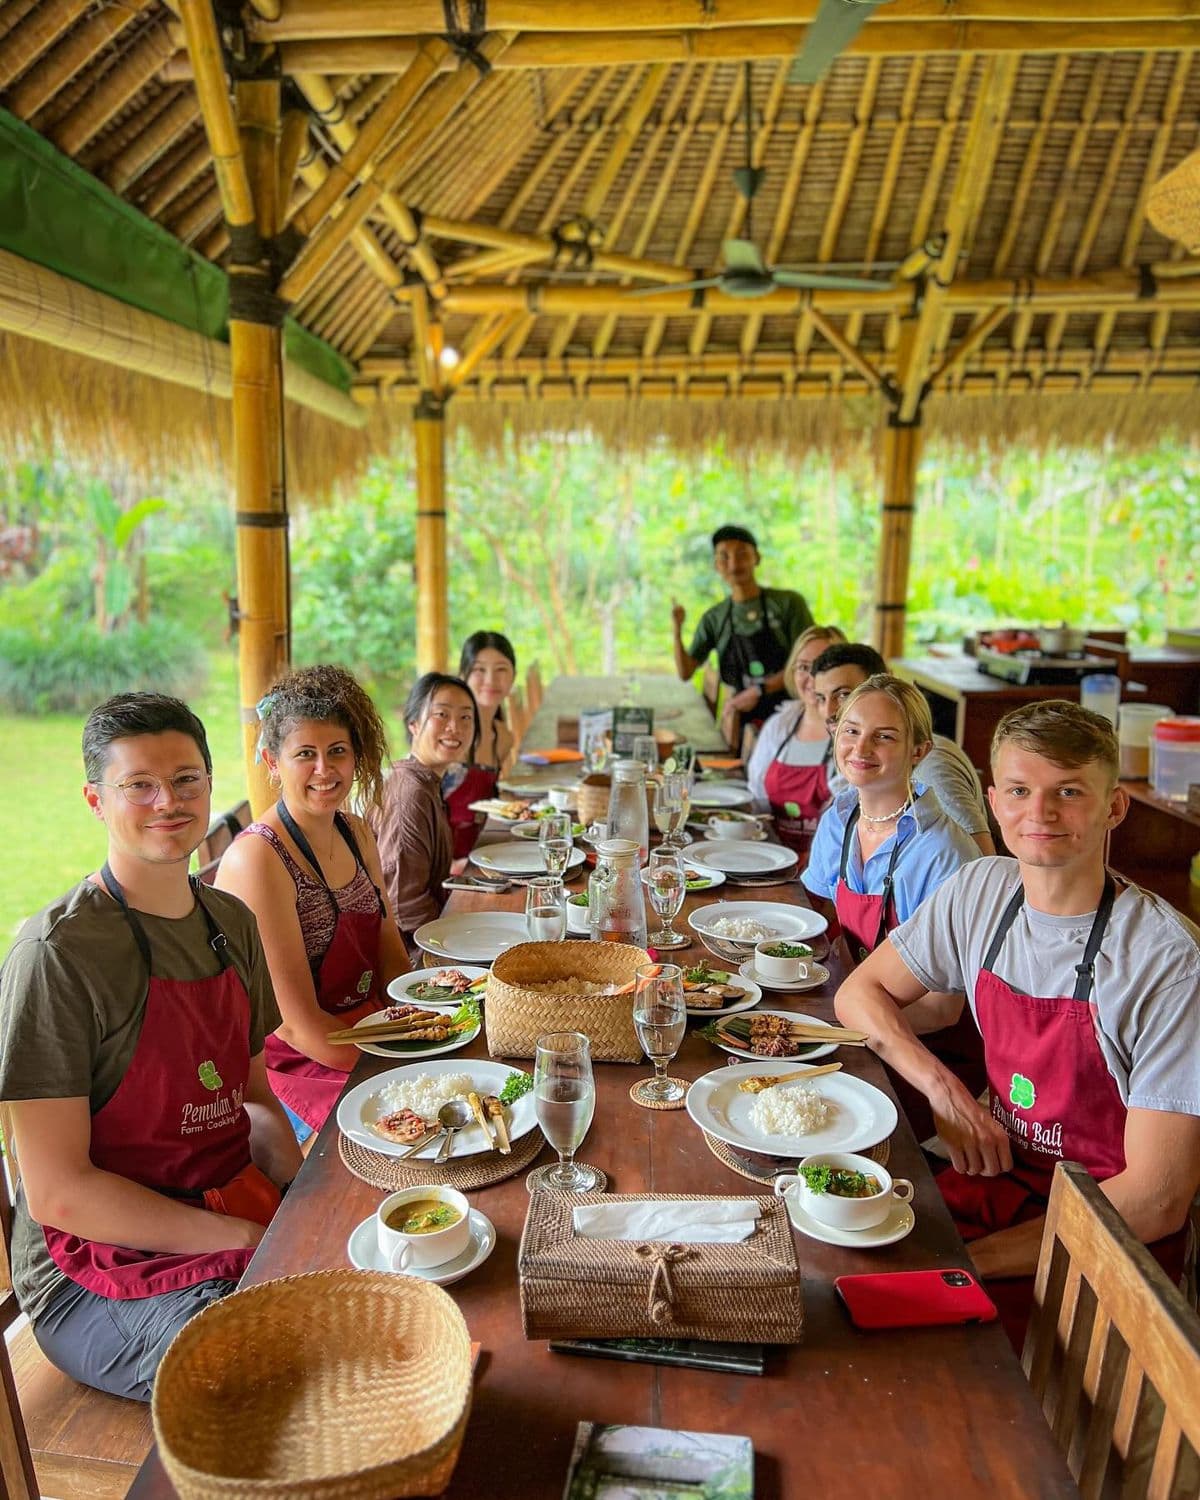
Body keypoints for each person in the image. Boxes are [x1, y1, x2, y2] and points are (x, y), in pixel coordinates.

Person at [834, 701, 1200, 1349]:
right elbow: (860, 995)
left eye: (1069, 792)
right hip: (996, 1180)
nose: (1041, 813)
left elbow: (1154, 1199)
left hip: (1110, 1241)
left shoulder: (1167, 961)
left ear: (1114, 807)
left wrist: (969, 1267)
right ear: (994, 800)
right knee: (843, 1284)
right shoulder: (980, 890)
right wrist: (942, 1090)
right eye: (1022, 791)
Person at [0, 693, 300, 1401]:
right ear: (95, 800)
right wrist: (234, 1239)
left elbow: (252, 1098)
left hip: (228, 1206)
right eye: (138, 784)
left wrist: (304, 1197)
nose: (168, 800)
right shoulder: (58, 954)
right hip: (95, 1272)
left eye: (187, 778)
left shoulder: (229, 920)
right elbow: (59, 1193)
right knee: (274, 1365)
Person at [215, 666, 410, 1145]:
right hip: (300, 1065)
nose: (325, 770)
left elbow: (390, 953)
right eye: (305, 754)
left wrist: (419, 1018)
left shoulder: (356, 830)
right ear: (272, 761)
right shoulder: (259, 857)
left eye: (337, 752)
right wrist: (400, 1067)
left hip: (370, 1030)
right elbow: (298, 1028)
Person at [802, 674, 980, 961]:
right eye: (851, 731)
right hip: (847, 987)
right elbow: (815, 915)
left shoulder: (944, 852)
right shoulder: (836, 821)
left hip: (907, 1005)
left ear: (919, 751)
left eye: (884, 736)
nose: (861, 749)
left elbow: (943, 997)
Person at [811, 643, 996, 855]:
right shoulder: (840, 812)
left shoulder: (931, 766)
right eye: (821, 698)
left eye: (844, 694)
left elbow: (980, 865)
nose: (828, 711)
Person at [368, 673, 480, 941]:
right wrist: (455, 945)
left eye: (466, 717)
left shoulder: (425, 780)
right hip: (409, 952)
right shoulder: (410, 794)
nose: (455, 727)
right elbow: (403, 907)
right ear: (414, 724)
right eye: (441, 715)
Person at [671, 524, 813, 730]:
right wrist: (676, 631)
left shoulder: (788, 604)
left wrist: (759, 691)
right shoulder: (714, 618)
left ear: (757, 557)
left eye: (741, 554)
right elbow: (685, 672)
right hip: (738, 721)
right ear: (716, 565)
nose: (734, 564)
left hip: (791, 717)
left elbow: (810, 663)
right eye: (724, 557)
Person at [747, 624, 847, 859]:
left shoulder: (853, 736)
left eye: (823, 666)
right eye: (803, 667)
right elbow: (756, 799)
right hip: (771, 859)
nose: (812, 678)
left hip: (826, 870)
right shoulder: (780, 726)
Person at [443, 631, 517, 859]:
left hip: (484, 853)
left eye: (501, 669)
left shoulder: (503, 737)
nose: (490, 680)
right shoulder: (450, 737)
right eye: (479, 669)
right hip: (446, 863)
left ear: (514, 675)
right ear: (463, 674)